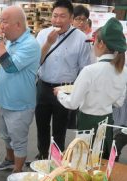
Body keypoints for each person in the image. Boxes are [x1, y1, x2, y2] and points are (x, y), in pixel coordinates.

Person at [54, 18, 127, 158]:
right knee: (101, 164)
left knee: (83, 162)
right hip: (107, 122)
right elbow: (118, 103)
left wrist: (59, 93)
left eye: (93, 42)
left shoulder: (90, 71)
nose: (92, 46)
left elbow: (72, 103)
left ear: (101, 44)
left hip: (88, 123)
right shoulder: (123, 71)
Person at [35, 0, 91, 160]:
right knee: (41, 125)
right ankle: (42, 156)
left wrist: (77, 92)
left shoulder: (81, 38)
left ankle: (56, 160)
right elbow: (36, 61)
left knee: (60, 128)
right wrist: (48, 43)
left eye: (62, 16)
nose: (57, 20)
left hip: (66, 89)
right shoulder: (43, 34)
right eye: (55, 16)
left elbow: (84, 68)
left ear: (71, 18)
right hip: (44, 86)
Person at [0, 5, 40, 173]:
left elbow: (10, 66)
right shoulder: (12, 42)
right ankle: (9, 159)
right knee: (6, 136)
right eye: (1, 22)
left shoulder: (30, 44)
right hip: (6, 102)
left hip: (20, 105)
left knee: (18, 140)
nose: (1, 26)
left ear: (18, 25)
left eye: (4, 22)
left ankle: (17, 172)